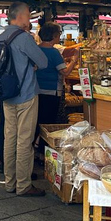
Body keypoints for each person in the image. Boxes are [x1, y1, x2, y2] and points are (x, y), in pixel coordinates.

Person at [0, 1, 48, 197]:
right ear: (19, 17)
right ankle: (23, 185)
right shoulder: (24, 38)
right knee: (24, 140)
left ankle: (9, 182)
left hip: (7, 95)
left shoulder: (1, 37)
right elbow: (43, 62)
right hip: (26, 94)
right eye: (28, 14)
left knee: (9, 138)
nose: (30, 18)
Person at [34, 22, 73, 152]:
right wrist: (74, 60)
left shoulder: (36, 49)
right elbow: (65, 72)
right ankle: (43, 153)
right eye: (59, 35)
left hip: (36, 91)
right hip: (52, 92)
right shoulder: (54, 52)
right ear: (54, 36)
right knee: (48, 125)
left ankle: (34, 150)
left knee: (37, 121)